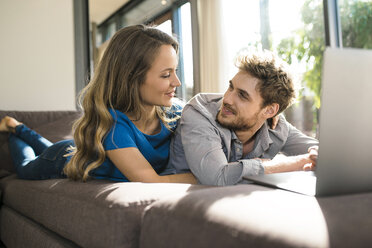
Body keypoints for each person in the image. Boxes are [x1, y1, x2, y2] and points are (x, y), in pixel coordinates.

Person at [0, 25, 196, 184]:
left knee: (48, 146)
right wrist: (214, 177)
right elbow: (150, 181)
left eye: (175, 70)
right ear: (131, 78)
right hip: (60, 159)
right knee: (26, 165)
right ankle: (15, 128)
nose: (177, 82)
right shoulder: (114, 125)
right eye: (166, 74)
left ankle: (16, 127)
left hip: (78, 149)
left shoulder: (176, 113)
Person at [167, 50, 319, 186]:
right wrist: (297, 162)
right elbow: (218, 177)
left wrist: (316, 157)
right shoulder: (200, 112)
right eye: (231, 87)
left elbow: (323, 153)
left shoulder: (277, 127)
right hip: (183, 204)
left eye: (242, 95)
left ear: (269, 111)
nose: (227, 99)